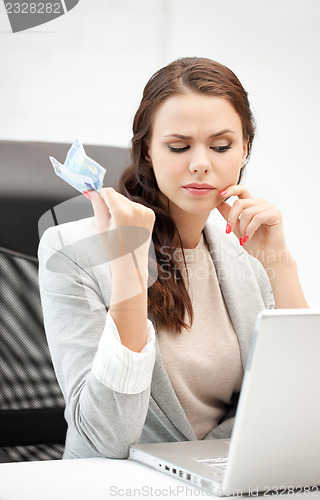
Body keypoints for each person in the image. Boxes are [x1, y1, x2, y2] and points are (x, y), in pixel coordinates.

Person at [38, 57, 308, 460]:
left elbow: (303, 401)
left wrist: (280, 263)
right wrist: (128, 274)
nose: (201, 162)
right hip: (115, 483)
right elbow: (107, 438)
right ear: (147, 152)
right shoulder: (71, 253)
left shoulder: (249, 257)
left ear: (244, 150)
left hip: (226, 477)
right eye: (179, 146)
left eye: (221, 146)